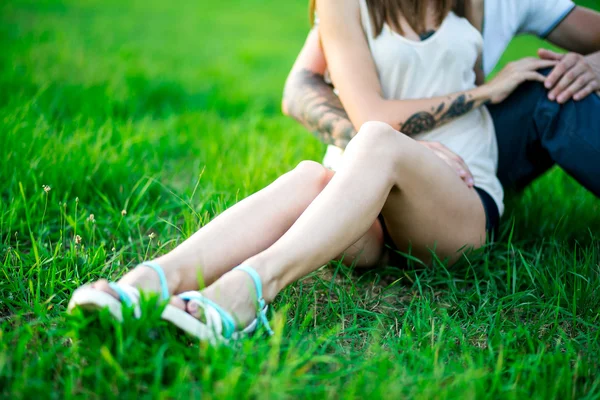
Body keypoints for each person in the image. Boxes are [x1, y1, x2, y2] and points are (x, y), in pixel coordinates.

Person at [67, 0, 555, 342]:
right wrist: (482, 93)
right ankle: (150, 282)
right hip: (365, 207)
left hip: (454, 202)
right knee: (311, 175)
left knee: (381, 143)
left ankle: (246, 290)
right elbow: (357, 110)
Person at [283, 0, 600, 197]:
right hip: (385, 140)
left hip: (472, 144)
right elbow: (300, 90)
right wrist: (392, 151)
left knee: (557, 82)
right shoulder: (363, 6)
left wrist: (595, 65)